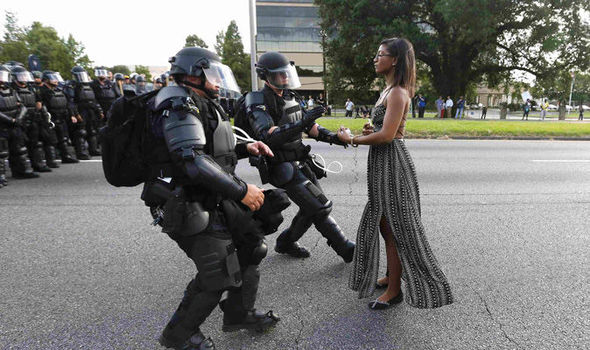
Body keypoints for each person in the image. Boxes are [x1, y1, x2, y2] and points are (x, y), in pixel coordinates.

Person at [149, 47, 279, 350]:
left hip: (212, 194)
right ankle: (178, 336)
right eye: (213, 75)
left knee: (251, 247)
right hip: (185, 201)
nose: (218, 82)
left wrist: (247, 149)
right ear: (194, 74)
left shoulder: (202, 101)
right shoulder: (177, 102)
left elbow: (211, 150)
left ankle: (238, 314)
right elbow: (191, 159)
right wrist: (242, 191)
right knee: (218, 272)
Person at [337, 37, 453, 310]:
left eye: (381, 54)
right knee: (384, 224)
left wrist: (351, 139)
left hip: (393, 164)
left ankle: (394, 290)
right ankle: (392, 276)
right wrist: (369, 130)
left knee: (395, 228)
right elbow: (383, 130)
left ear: (396, 59)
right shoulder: (387, 91)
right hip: (382, 163)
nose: (376, 59)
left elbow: (388, 136)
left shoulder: (399, 92)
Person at [244, 51, 355, 261]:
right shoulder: (257, 100)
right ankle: (345, 248)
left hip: (301, 162)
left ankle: (285, 242)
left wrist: (335, 138)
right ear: (266, 76)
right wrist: (303, 123)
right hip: (281, 165)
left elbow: (311, 127)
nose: (285, 78)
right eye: (279, 74)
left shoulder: (290, 96)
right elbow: (268, 136)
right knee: (320, 207)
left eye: (287, 73)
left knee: (311, 207)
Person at [0, 65, 40, 186]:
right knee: (1, 152)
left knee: (19, 149)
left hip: (15, 124)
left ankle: (21, 171)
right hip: (2, 126)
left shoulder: (12, 90)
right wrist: (10, 120)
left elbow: (22, 106)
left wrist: (19, 118)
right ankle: (1, 176)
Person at [10, 65, 52, 173]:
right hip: (19, 120)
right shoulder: (12, 89)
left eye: (24, 76)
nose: (24, 78)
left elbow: (39, 103)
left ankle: (37, 164)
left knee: (35, 143)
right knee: (19, 146)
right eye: (21, 76)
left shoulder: (31, 88)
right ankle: (20, 170)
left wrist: (41, 114)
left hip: (32, 119)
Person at [39, 70, 79, 164]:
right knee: (50, 140)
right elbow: (41, 106)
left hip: (61, 117)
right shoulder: (42, 91)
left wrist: (72, 115)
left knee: (63, 138)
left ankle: (66, 156)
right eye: (53, 79)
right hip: (50, 118)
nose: (56, 80)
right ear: (46, 80)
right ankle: (51, 160)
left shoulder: (59, 90)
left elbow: (67, 104)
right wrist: (46, 118)